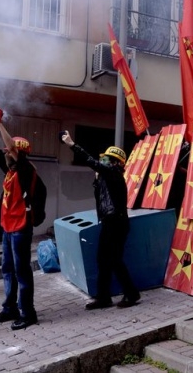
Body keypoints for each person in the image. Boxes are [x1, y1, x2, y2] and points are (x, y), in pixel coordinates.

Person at [60, 130, 141, 310]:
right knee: (103, 260)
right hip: (109, 222)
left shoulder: (113, 172)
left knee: (114, 259)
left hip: (116, 223)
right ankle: (104, 297)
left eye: (105, 159)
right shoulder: (107, 177)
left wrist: (72, 145)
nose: (101, 161)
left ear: (114, 162)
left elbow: (91, 162)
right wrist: (97, 181)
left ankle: (131, 293)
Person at [0, 107, 38, 330]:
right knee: (7, 269)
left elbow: (12, 148)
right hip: (8, 228)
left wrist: (0, 123)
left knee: (22, 270)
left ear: (19, 154)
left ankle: (28, 313)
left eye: (10, 152)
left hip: (21, 228)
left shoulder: (26, 170)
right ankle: (10, 308)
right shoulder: (9, 170)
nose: (5, 153)